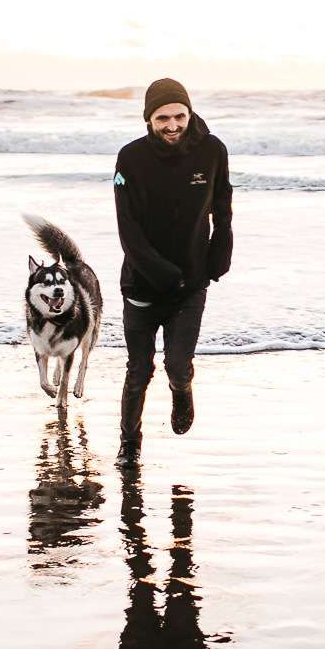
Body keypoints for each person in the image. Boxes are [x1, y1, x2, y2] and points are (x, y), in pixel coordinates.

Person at [113, 77, 233, 464]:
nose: (172, 125)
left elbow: (223, 206)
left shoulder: (213, 151)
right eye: (162, 118)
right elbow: (127, 227)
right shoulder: (130, 159)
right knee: (138, 371)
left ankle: (182, 391)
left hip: (190, 283)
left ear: (189, 113)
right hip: (141, 285)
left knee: (177, 366)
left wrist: (220, 256)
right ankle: (129, 445)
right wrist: (160, 271)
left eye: (179, 116)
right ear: (148, 119)